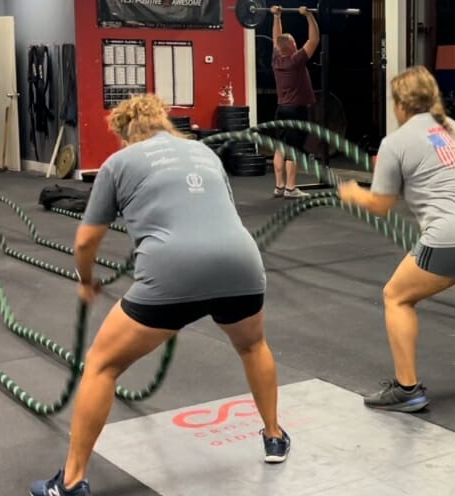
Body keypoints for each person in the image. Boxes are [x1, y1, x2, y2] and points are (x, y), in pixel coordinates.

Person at [30, 94, 289, 496]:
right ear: (164, 122)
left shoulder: (118, 163)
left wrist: (85, 280)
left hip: (173, 272)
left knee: (101, 366)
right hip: (241, 262)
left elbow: (86, 243)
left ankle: (71, 481)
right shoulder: (203, 152)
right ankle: (274, 436)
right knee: (253, 346)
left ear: (124, 132)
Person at [338, 66, 455, 412]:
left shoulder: (395, 142)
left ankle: (407, 389)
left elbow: (380, 205)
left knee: (396, 296)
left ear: (400, 104)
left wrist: (352, 193)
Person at [269, 4, 317, 199]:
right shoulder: (295, 60)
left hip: (281, 110)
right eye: (295, 42)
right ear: (293, 47)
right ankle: (290, 188)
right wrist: (309, 16)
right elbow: (314, 39)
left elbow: (276, 39)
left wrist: (276, 17)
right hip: (296, 111)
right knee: (293, 150)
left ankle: (279, 186)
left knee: (280, 148)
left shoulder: (276, 59)